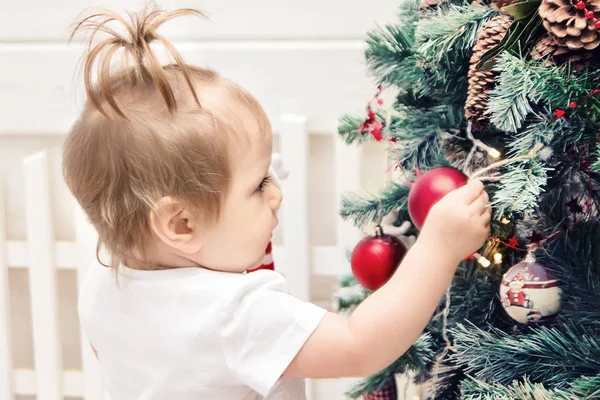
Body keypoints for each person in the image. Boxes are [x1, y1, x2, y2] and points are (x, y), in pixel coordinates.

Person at [64, 5, 491, 399]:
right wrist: (438, 246)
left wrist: (250, 175)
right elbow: (361, 344)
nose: (277, 195)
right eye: (258, 185)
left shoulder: (102, 285)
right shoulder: (236, 314)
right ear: (181, 225)